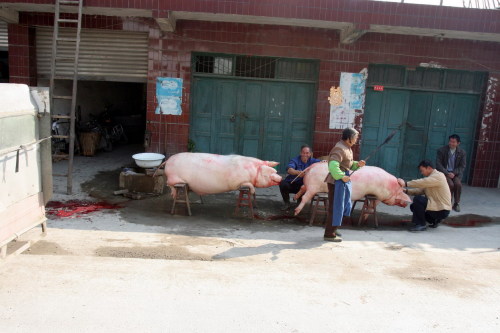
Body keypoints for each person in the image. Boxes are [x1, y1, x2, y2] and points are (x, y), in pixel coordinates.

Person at [324, 127, 365, 242]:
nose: (357, 139)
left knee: (341, 206)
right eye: (356, 137)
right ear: (350, 138)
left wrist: (358, 164)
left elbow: (349, 165)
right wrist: (342, 176)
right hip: (336, 181)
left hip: (342, 181)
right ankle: (329, 233)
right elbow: (333, 166)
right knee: (335, 207)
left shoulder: (347, 148)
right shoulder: (340, 148)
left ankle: (334, 228)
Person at [398, 160, 451, 232]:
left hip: (441, 210)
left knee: (418, 199)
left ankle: (421, 224)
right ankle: (434, 220)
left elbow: (423, 182)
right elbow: (420, 190)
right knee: (414, 206)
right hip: (436, 209)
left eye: (422, 170)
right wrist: (406, 191)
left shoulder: (438, 176)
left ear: (429, 168)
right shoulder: (431, 179)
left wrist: (405, 183)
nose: (421, 173)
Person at [279, 145, 321, 210]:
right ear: (300, 153)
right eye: (303, 153)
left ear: (310, 154)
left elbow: (321, 162)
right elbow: (289, 169)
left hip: (303, 186)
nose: (305, 155)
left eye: (307, 153)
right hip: (292, 183)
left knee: (306, 186)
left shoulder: (313, 161)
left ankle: (299, 203)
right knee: (283, 184)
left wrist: (324, 162)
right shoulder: (295, 160)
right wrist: (297, 172)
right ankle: (287, 203)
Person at [436, 134, 466, 212]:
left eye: (453, 142)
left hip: (455, 174)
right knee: (450, 184)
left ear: (458, 143)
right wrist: (447, 173)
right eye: (450, 141)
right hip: (444, 173)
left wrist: (453, 173)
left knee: (458, 184)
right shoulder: (442, 150)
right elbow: (438, 164)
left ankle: (456, 203)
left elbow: (462, 166)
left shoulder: (462, 153)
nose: (451, 143)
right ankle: (447, 203)